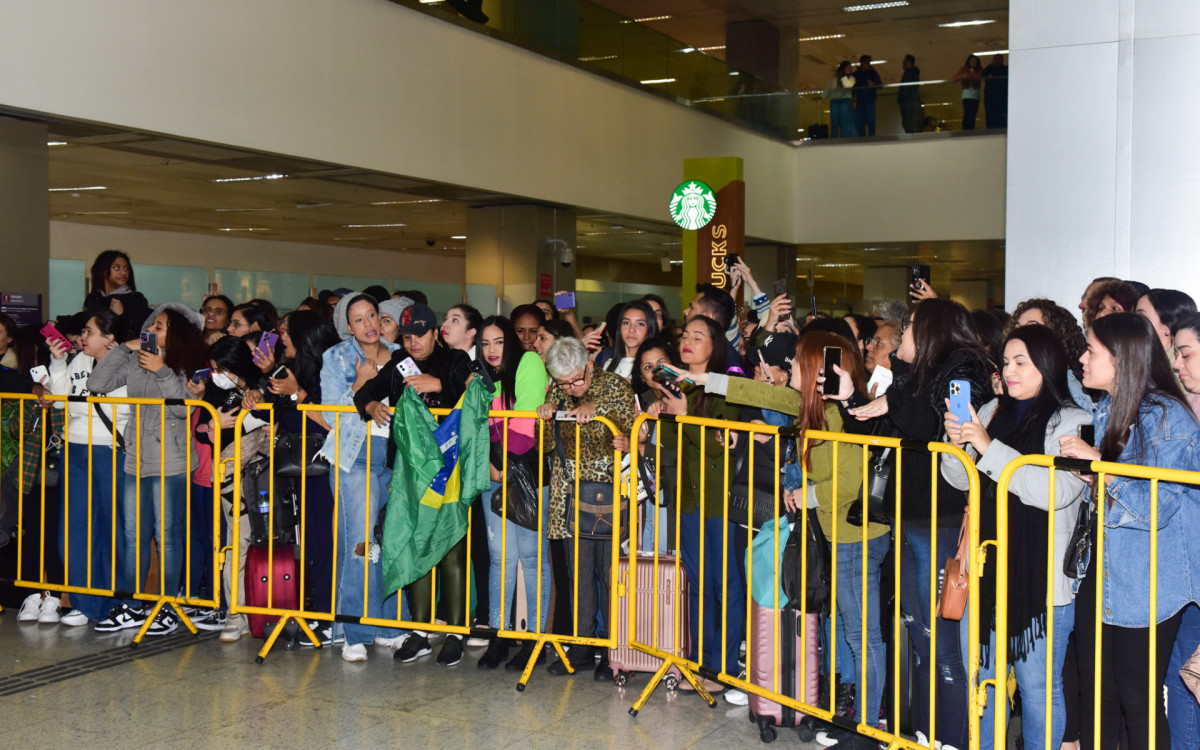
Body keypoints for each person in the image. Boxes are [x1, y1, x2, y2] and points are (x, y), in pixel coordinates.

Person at [848, 298, 993, 750]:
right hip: (912, 515)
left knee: (940, 635)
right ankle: (926, 734)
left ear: (932, 331)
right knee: (918, 629)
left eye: (911, 326)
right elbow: (889, 427)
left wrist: (891, 398)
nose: (902, 333)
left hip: (942, 518)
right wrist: (856, 399)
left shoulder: (963, 369)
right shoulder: (921, 375)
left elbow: (941, 428)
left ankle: (949, 739)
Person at [943, 326, 1091, 750]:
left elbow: (1057, 492)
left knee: (1038, 690)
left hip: (1040, 582)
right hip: (986, 570)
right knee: (984, 682)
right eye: (1006, 362)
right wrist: (958, 445)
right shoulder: (991, 409)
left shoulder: (1074, 420)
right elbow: (958, 480)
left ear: (1046, 366)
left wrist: (988, 447)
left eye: (1020, 361)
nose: (1008, 371)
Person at [1060, 313, 1200, 750]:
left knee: (1137, 700)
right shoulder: (1109, 408)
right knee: (1095, 693)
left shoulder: (1167, 418)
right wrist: (1095, 475)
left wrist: (1100, 467)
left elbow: (1153, 505)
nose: (1083, 359)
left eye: (1092, 351)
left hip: (1148, 581)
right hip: (1103, 572)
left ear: (1122, 360)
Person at [354, 302, 472, 665]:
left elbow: (477, 397)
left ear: (435, 332)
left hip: (449, 469)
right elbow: (363, 392)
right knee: (415, 547)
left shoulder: (456, 361)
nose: (414, 341)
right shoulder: (399, 363)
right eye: (407, 336)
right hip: (408, 472)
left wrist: (441, 384)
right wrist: (372, 405)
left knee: (450, 550)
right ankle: (418, 632)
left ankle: (455, 632)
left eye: (421, 334)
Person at [87, 303, 207, 636]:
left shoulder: (186, 364)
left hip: (172, 461)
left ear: (177, 333)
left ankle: (167, 606)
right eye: (152, 325)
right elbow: (97, 383)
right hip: (136, 457)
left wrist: (162, 370)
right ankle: (132, 604)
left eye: (161, 327)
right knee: (133, 534)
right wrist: (124, 348)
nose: (152, 330)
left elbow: (182, 410)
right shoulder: (137, 360)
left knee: (168, 537)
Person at [646, 315, 744, 693]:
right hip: (687, 500)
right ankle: (702, 664)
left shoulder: (725, 389)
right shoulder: (674, 385)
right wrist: (664, 414)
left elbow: (715, 451)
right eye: (685, 335)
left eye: (697, 336)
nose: (687, 341)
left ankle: (724, 668)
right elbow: (672, 446)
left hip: (720, 500)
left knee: (726, 584)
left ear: (714, 345)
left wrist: (685, 415)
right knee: (699, 582)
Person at [538, 336, 636, 679]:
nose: (571, 388)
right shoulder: (559, 391)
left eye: (576, 380)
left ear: (589, 365)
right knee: (577, 575)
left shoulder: (616, 387)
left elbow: (634, 432)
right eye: (563, 382)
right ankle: (580, 648)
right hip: (569, 492)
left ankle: (614, 650)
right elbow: (547, 446)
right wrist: (547, 419)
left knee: (611, 575)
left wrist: (599, 410)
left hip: (609, 491)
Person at [316, 293, 406, 662]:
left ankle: (389, 625)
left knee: (391, 542)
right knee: (361, 545)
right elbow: (330, 415)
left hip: (395, 459)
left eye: (373, 315)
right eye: (358, 319)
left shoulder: (400, 354)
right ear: (347, 326)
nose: (368, 324)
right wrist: (359, 385)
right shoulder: (337, 358)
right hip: (355, 459)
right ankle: (354, 631)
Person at [474, 315, 552, 671]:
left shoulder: (530, 362)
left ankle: (534, 640)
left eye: (498, 341)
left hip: (527, 472)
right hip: (494, 471)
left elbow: (525, 421)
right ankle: (498, 636)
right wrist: (491, 464)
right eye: (485, 343)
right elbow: (478, 422)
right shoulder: (480, 376)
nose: (492, 350)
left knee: (532, 558)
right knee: (499, 557)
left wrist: (499, 462)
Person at [44, 310, 130, 627]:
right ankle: (85, 602)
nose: (82, 337)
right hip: (75, 446)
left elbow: (114, 409)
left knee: (113, 529)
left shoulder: (126, 363)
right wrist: (57, 363)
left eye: (89, 331)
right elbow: (60, 401)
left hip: (110, 450)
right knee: (74, 529)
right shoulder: (79, 360)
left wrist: (78, 402)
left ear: (109, 338)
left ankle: (119, 602)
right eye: (82, 331)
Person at [266, 310, 340, 645]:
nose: (282, 337)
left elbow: (332, 422)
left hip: (325, 471)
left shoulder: (331, 372)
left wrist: (299, 394)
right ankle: (317, 609)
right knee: (310, 543)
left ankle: (329, 617)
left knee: (326, 543)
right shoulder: (293, 370)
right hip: (299, 472)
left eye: (288, 332)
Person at [1162, 311, 1200, 748]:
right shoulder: (1181, 409)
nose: (1178, 364)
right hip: (1183, 573)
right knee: (1183, 675)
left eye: (1186, 353)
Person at [82, 250, 150, 342]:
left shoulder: (136, 299)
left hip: (125, 353)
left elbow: (143, 335)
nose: (123, 272)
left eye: (126, 269)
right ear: (103, 270)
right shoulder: (93, 299)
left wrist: (122, 315)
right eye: (117, 268)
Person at [602, 299, 659, 381]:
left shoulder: (653, 367)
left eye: (640, 324)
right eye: (626, 323)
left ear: (649, 329)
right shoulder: (609, 364)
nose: (631, 329)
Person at [853, 55, 883, 136]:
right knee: (860, 122)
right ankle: (862, 139)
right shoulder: (856, 74)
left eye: (869, 62)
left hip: (870, 100)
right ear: (861, 63)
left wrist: (874, 84)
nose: (868, 64)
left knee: (870, 121)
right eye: (866, 62)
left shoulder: (873, 73)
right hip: (860, 101)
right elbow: (852, 87)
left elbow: (880, 85)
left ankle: (871, 138)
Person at [827, 61, 858, 138]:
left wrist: (843, 76)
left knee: (844, 122)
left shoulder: (851, 78)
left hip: (845, 101)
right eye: (848, 67)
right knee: (834, 123)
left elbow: (848, 85)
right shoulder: (834, 79)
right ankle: (834, 140)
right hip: (835, 101)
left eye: (850, 67)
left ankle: (844, 139)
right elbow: (828, 90)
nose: (850, 69)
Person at [955, 55, 984, 130]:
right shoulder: (964, 69)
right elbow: (955, 78)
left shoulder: (979, 70)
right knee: (967, 114)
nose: (973, 63)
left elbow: (979, 76)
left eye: (975, 61)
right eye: (971, 61)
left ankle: (971, 129)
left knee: (973, 114)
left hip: (975, 96)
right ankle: (966, 129)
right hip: (967, 95)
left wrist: (967, 76)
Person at [898, 54, 923, 134]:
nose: (903, 63)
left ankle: (912, 140)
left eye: (904, 61)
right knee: (908, 123)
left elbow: (905, 88)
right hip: (909, 101)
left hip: (908, 101)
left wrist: (902, 98)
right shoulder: (912, 73)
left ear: (908, 62)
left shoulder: (909, 74)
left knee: (908, 124)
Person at [982, 54, 1008, 129]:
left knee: (1001, 113)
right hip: (990, 96)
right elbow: (983, 75)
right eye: (995, 59)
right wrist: (990, 64)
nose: (997, 61)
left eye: (999, 59)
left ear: (1002, 60)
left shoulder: (1005, 69)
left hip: (1002, 96)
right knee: (990, 113)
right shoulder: (990, 69)